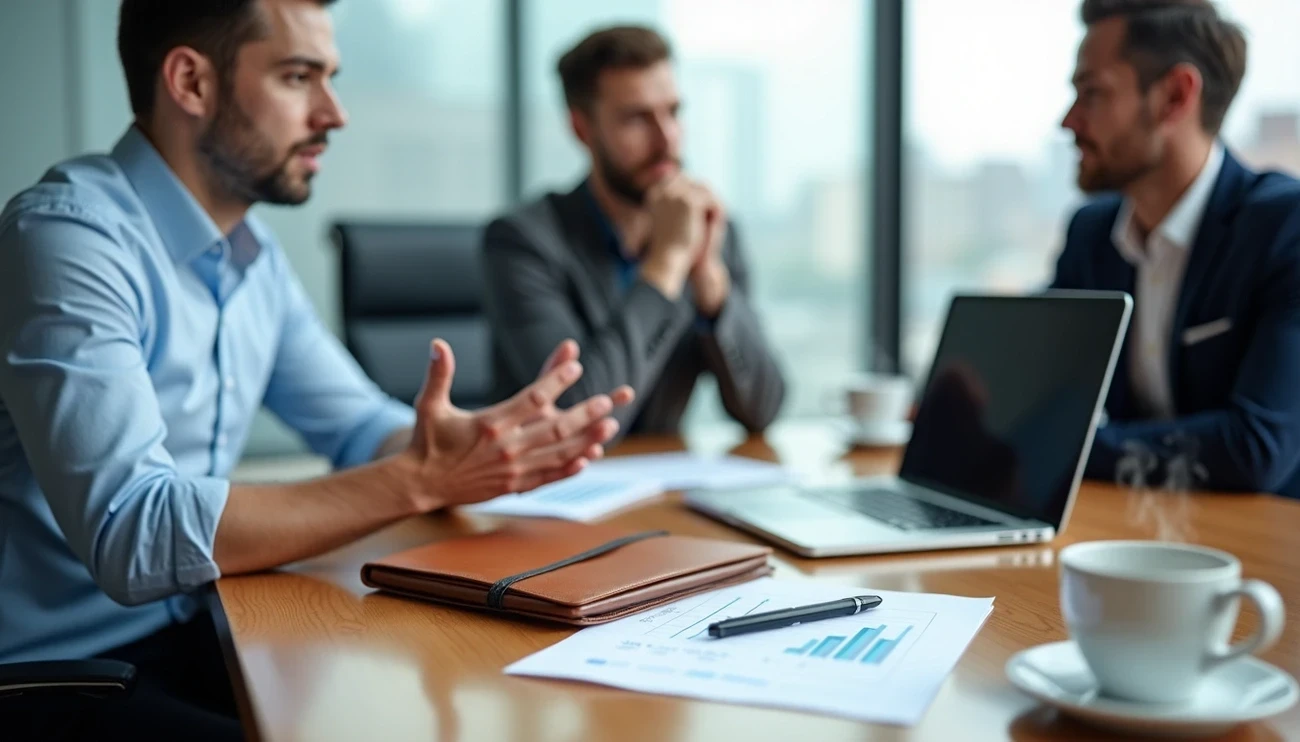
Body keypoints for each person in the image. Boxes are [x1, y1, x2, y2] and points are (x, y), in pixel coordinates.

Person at [0, 1, 633, 739]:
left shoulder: (253, 257)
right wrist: (417, 477)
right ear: (190, 82)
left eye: (329, 78)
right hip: (55, 675)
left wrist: (453, 447)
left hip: (204, 626)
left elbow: (359, 424)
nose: (334, 113)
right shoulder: (67, 239)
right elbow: (133, 532)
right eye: (299, 77)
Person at [480, 26, 786, 439]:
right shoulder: (522, 242)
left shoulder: (713, 234)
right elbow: (577, 419)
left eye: (673, 112)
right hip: (549, 490)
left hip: (661, 490)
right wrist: (666, 264)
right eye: (637, 118)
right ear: (582, 129)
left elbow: (764, 410)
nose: (667, 140)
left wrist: (710, 282)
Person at [1052, 0, 1300, 498]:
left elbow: (1255, 449)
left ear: (1174, 96)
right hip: (1131, 528)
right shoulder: (1090, 234)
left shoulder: (1284, 228)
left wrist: (1072, 447)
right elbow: (1047, 397)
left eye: (1092, 93)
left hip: (1260, 551)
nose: (1069, 121)